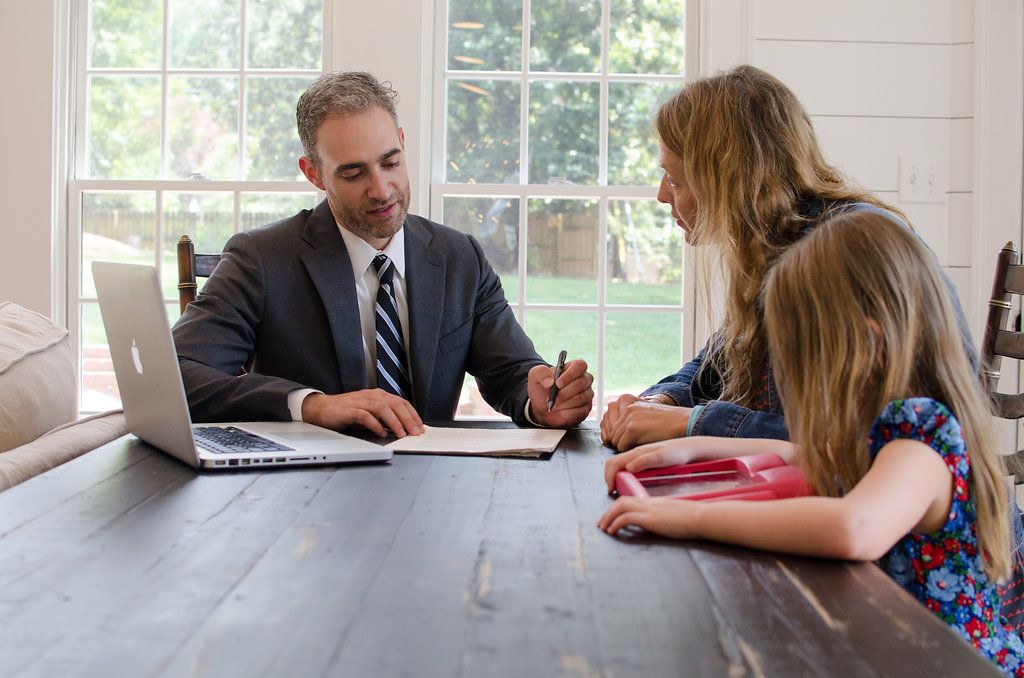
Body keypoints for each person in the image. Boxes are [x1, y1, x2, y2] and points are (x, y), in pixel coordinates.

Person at [598, 212, 1024, 674]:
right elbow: (798, 454)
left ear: (866, 341)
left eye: (803, 354)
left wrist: (687, 515)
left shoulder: (922, 440)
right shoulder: (879, 429)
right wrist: (689, 447)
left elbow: (851, 528)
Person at [172, 71, 594, 436]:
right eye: (354, 173)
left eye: (390, 162)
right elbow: (176, 374)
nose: (381, 190)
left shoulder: (459, 257)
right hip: (304, 495)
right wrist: (312, 405)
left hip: (429, 485)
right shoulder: (261, 259)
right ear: (313, 173)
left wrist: (540, 400)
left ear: (403, 144)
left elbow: (511, 373)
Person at [598, 64, 973, 453]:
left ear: (729, 178)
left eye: (676, 179)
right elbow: (717, 364)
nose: (662, 195)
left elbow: (859, 446)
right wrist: (662, 402)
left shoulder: (843, 254)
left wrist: (691, 423)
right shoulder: (779, 243)